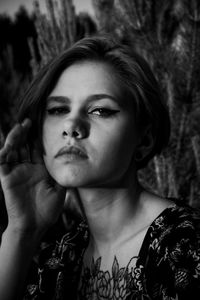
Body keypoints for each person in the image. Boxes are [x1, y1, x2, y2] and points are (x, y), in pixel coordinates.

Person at [0, 35, 199, 300]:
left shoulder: (186, 248)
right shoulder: (62, 258)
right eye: (58, 109)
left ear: (145, 138)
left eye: (100, 110)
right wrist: (21, 231)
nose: (71, 125)